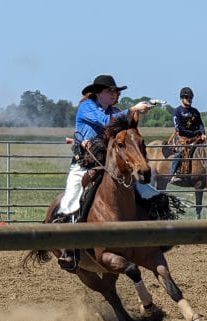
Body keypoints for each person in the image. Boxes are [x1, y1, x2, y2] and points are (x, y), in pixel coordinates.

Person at [56, 74, 153, 270]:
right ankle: (68, 249)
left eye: (116, 91)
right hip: (84, 163)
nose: (115, 94)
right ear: (99, 93)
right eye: (111, 91)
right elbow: (104, 121)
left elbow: (125, 131)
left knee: (147, 192)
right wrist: (133, 108)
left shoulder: (115, 111)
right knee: (71, 199)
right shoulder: (88, 107)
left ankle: (156, 234)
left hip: (109, 164)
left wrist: (134, 116)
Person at [169, 87, 206, 185]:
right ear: (182, 98)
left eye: (190, 98)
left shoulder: (195, 111)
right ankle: (174, 174)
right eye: (187, 97)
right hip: (182, 138)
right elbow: (179, 129)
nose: (189, 99)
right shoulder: (177, 112)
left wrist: (202, 133)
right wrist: (195, 133)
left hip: (196, 137)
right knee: (181, 151)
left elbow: (200, 124)